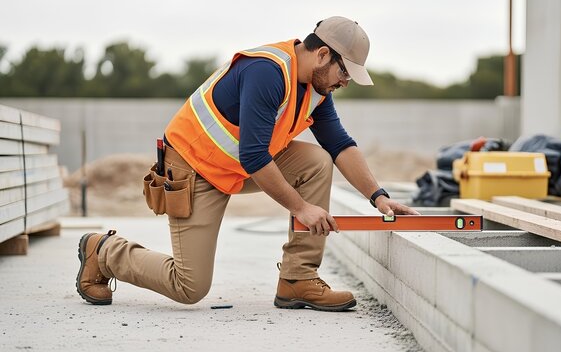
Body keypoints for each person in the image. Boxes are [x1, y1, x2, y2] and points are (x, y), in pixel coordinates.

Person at [76, 16, 419, 312]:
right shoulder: (267, 72)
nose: (344, 83)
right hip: (193, 168)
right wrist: (302, 208)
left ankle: (297, 279)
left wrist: (379, 197)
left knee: (316, 160)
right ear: (323, 54)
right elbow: (254, 156)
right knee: (189, 286)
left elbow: (339, 144)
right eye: (344, 73)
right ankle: (104, 252)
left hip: (236, 165)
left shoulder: (316, 89)